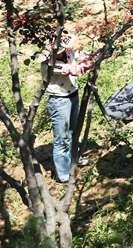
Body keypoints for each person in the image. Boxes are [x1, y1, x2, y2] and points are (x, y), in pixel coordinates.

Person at [38, 30, 93, 183]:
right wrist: (79, 66)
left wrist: (89, 59)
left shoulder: (69, 53)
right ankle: (62, 174)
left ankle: (74, 159)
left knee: (73, 131)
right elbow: (68, 70)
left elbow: (82, 56)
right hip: (59, 100)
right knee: (61, 137)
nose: (67, 51)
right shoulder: (49, 62)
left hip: (72, 94)